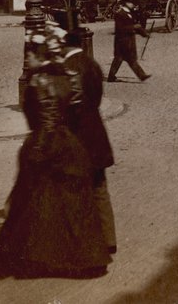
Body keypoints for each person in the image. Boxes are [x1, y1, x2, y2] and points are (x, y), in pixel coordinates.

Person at [0, 24, 111, 279]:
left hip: (49, 145)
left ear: (42, 54)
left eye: (31, 53)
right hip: (72, 147)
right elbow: (78, 112)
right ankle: (86, 257)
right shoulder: (70, 77)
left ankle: (35, 258)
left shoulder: (40, 82)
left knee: (36, 203)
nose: (27, 58)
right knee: (70, 205)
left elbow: (45, 122)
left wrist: (37, 151)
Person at [62, 23, 117, 255]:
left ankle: (79, 243)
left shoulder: (67, 68)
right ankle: (109, 239)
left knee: (74, 191)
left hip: (77, 139)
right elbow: (95, 99)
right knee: (100, 189)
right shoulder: (93, 65)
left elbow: (69, 105)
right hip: (97, 135)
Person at [107, 0, 151, 82]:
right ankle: (111, 77)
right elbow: (120, 29)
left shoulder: (130, 13)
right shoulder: (120, 14)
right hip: (121, 41)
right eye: (132, 3)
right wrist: (133, 27)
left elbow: (135, 25)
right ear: (126, 3)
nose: (133, 5)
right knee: (119, 59)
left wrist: (144, 34)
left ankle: (142, 75)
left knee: (128, 59)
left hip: (128, 41)